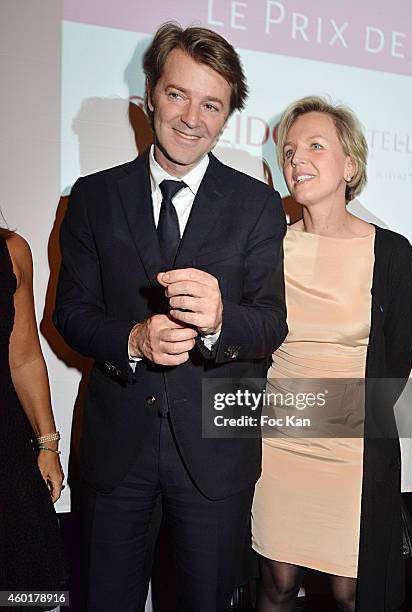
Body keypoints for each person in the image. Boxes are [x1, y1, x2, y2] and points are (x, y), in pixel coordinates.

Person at [53, 22, 287, 612]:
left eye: (212, 104)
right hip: (114, 451)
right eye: (179, 94)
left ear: (228, 115)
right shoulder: (92, 196)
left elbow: (270, 323)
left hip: (216, 455)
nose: (192, 117)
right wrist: (131, 337)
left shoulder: (257, 204)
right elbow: (70, 314)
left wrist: (218, 321)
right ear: (151, 93)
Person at [251, 96, 412, 611]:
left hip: (353, 453)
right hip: (279, 446)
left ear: (351, 165)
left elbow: (395, 363)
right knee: (277, 585)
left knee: (353, 593)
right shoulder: (267, 247)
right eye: (289, 151)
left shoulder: (390, 252)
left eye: (315, 146)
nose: (296, 158)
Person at [0, 228, 66, 601]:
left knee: (19, 588)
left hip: (5, 447)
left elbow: (23, 357)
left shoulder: (11, 250)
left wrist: (48, 445)